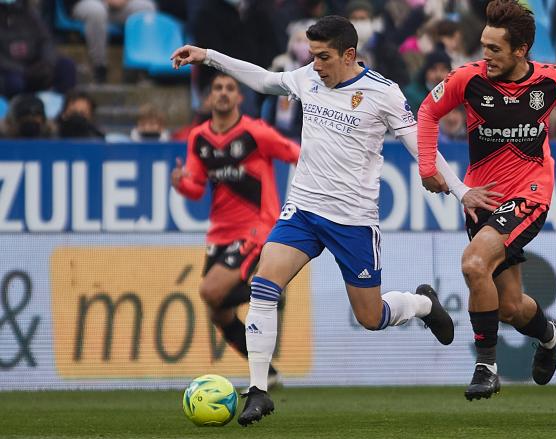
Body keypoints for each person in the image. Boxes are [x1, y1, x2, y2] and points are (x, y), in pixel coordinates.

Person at [171, 15, 500, 425]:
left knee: (371, 317)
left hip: (353, 221)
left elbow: (423, 148)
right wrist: (208, 56)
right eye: (312, 55)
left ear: (349, 54)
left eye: (323, 56)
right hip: (304, 211)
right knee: (263, 283)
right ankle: (258, 390)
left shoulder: (384, 94)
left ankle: (421, 303)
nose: (316, 64)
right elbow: (263, 80)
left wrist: (461, 191)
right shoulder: (308, 78)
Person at [417, 0, 556, 400]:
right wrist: (427, 169)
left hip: (530, 192)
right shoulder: (468, 79)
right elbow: (428, 112)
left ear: (521, 50)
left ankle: (486, 367)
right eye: (483, 46)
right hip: (482, 197)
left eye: (494, 49)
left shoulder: (550, 80)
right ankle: (548, 334)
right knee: (509, 307)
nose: (485, 56)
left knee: (474, 264)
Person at [171, 72, 300, 392]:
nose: (224, 93)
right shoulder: (199, 138)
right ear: (209, 97)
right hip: (220, 232)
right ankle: (268, 373)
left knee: (209, 291)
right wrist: (181, 183)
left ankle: (268, 291)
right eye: (218, 88)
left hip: (256, 226)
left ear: (240, 98)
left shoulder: (255, 133)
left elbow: (296, 154)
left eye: (230, 88)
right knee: (219, 312)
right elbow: (196, 187)